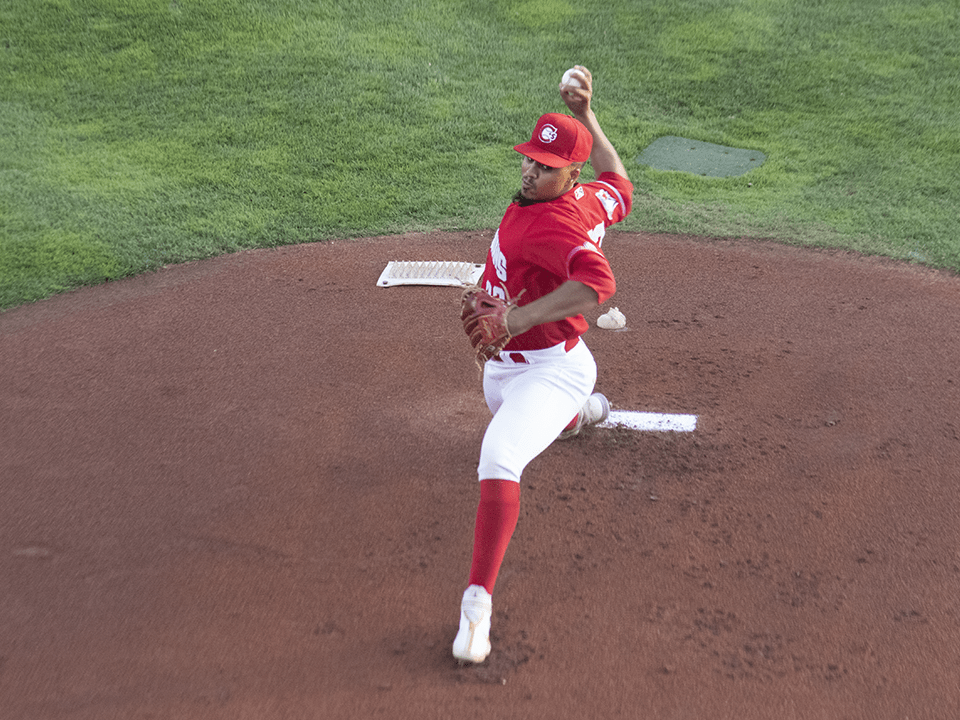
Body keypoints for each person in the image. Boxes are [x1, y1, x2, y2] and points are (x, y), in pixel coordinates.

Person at [453, 66, 634, 663]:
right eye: (529, 159)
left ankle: (476, 609)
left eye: (544, 166)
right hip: (509, 372)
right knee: (516, 419)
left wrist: (516, 319)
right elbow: (620, 181)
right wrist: (586, 115)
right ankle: (577, 418)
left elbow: (596, 284)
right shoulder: (586, 196)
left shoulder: (553, 224)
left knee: (500, 456)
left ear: (567, 174)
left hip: (547, 368)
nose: (530, 171)